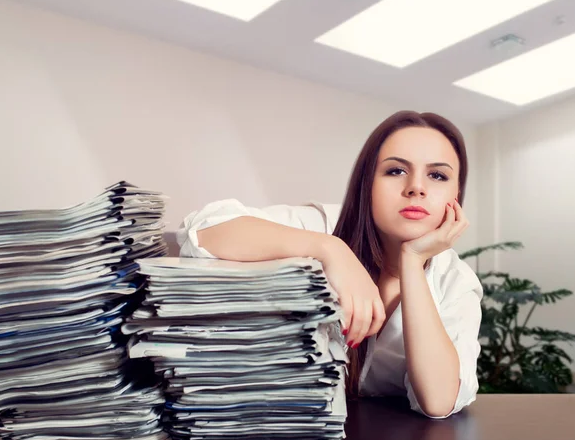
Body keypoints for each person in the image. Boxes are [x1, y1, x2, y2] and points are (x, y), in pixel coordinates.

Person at [176, 110, 483, 419]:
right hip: (279, 423)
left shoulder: (456, 281)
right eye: (396, 171)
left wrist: (413, 260)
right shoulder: (322, 226)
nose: (416, 187)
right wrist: (330, 249)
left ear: (456, 195)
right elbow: (203, 229)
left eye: (437, 175)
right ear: (368, 183)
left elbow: (439, 401)